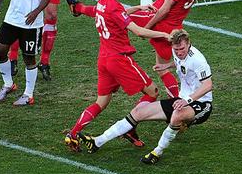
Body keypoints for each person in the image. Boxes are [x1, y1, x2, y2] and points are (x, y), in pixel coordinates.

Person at [68, 0, 202, 99]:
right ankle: (178, 102)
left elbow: (164, 10)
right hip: (175, 25)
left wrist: (148, 25)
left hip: (159, 19)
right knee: (163, 69)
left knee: (108, 10)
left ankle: (78, 8)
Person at [64, 0, 170, 152]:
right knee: (152, 92)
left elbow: (109, 14)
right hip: (120, 59)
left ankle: (72, 134)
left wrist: (137, 7)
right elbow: (139, 32)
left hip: (104, 60)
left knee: (101, 102)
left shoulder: (103, 4)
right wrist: (165, 34)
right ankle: (130, 128)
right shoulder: (114, 7)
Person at [77, 29, 213, 165]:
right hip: (181, 101)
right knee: (138, 112)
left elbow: (208, 85)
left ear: (188, 43)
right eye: (176, 49)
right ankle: (97, 142)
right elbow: (181, 63)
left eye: (182, 49)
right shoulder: (177, 51)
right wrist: (167, 65)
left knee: (176, 116)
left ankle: (157, 152)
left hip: (201, 104)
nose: (178, 52)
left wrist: (186, 100)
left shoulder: (198, 60)